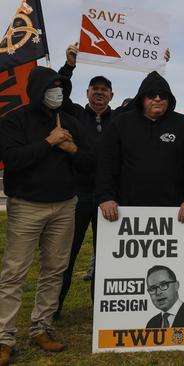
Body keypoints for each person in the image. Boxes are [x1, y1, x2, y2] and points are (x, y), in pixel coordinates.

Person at [0, 66, 93, 364]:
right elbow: (12, 160)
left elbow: (90, 163)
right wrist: (48, 143)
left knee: (54, 270)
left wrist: (72, 148)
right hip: (27, 206)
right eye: (52, 87)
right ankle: (4, 337)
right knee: (15, 273)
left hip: (65, 206)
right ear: (37, 89)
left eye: (61, 88)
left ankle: (42, 327)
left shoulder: (70, 122)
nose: (58, 93)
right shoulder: (14, 120)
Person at [55, 44, 127, 318]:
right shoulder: (73, 113)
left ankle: (103, 307)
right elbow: (58, 93)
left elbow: (150, 97)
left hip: (107, 197)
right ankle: (54, 307)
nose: (99, 92)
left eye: (104, 89)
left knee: (107, 256)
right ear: (87, 93)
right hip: (76, 195)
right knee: (66, 255)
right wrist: (69, 65)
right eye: (94, 89)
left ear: (111, 95)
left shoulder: (120, 119)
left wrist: (157, 66)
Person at [95, 70, 184, 221]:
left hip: (174, 210)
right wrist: (105, 196)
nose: (158, 99)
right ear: (142, 98)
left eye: (163, 95)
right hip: (126, 209)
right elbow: (105, 161)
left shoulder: (183, 124)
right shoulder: (121, 123)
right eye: (152, 95)